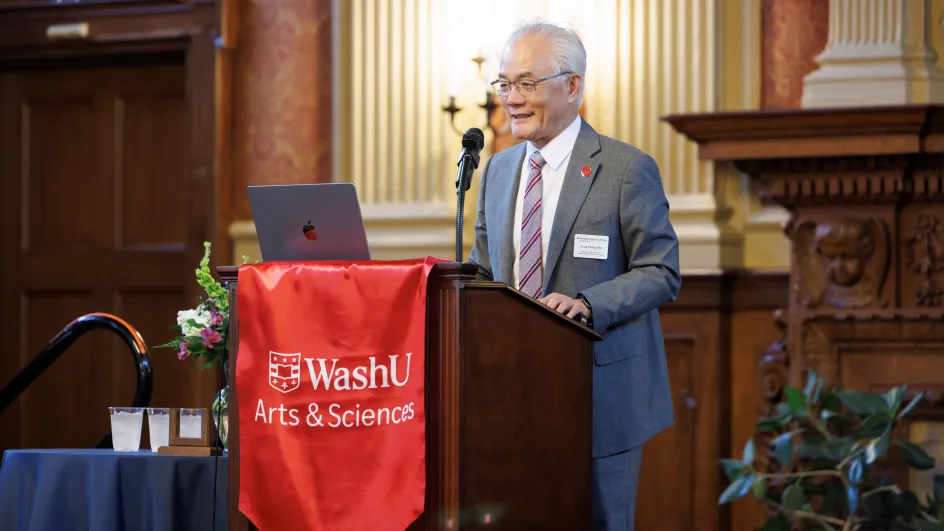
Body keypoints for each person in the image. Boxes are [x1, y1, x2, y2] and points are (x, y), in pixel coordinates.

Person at [467, 21, 681, 531]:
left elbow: (661, 270)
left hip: (600, 396)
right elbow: (482, 271)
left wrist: (587, 303)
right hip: (511, 394)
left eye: (526, 83)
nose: (511, 99)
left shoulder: (626, 168)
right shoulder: (496, 171)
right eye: (504, 84)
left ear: (572, 86)